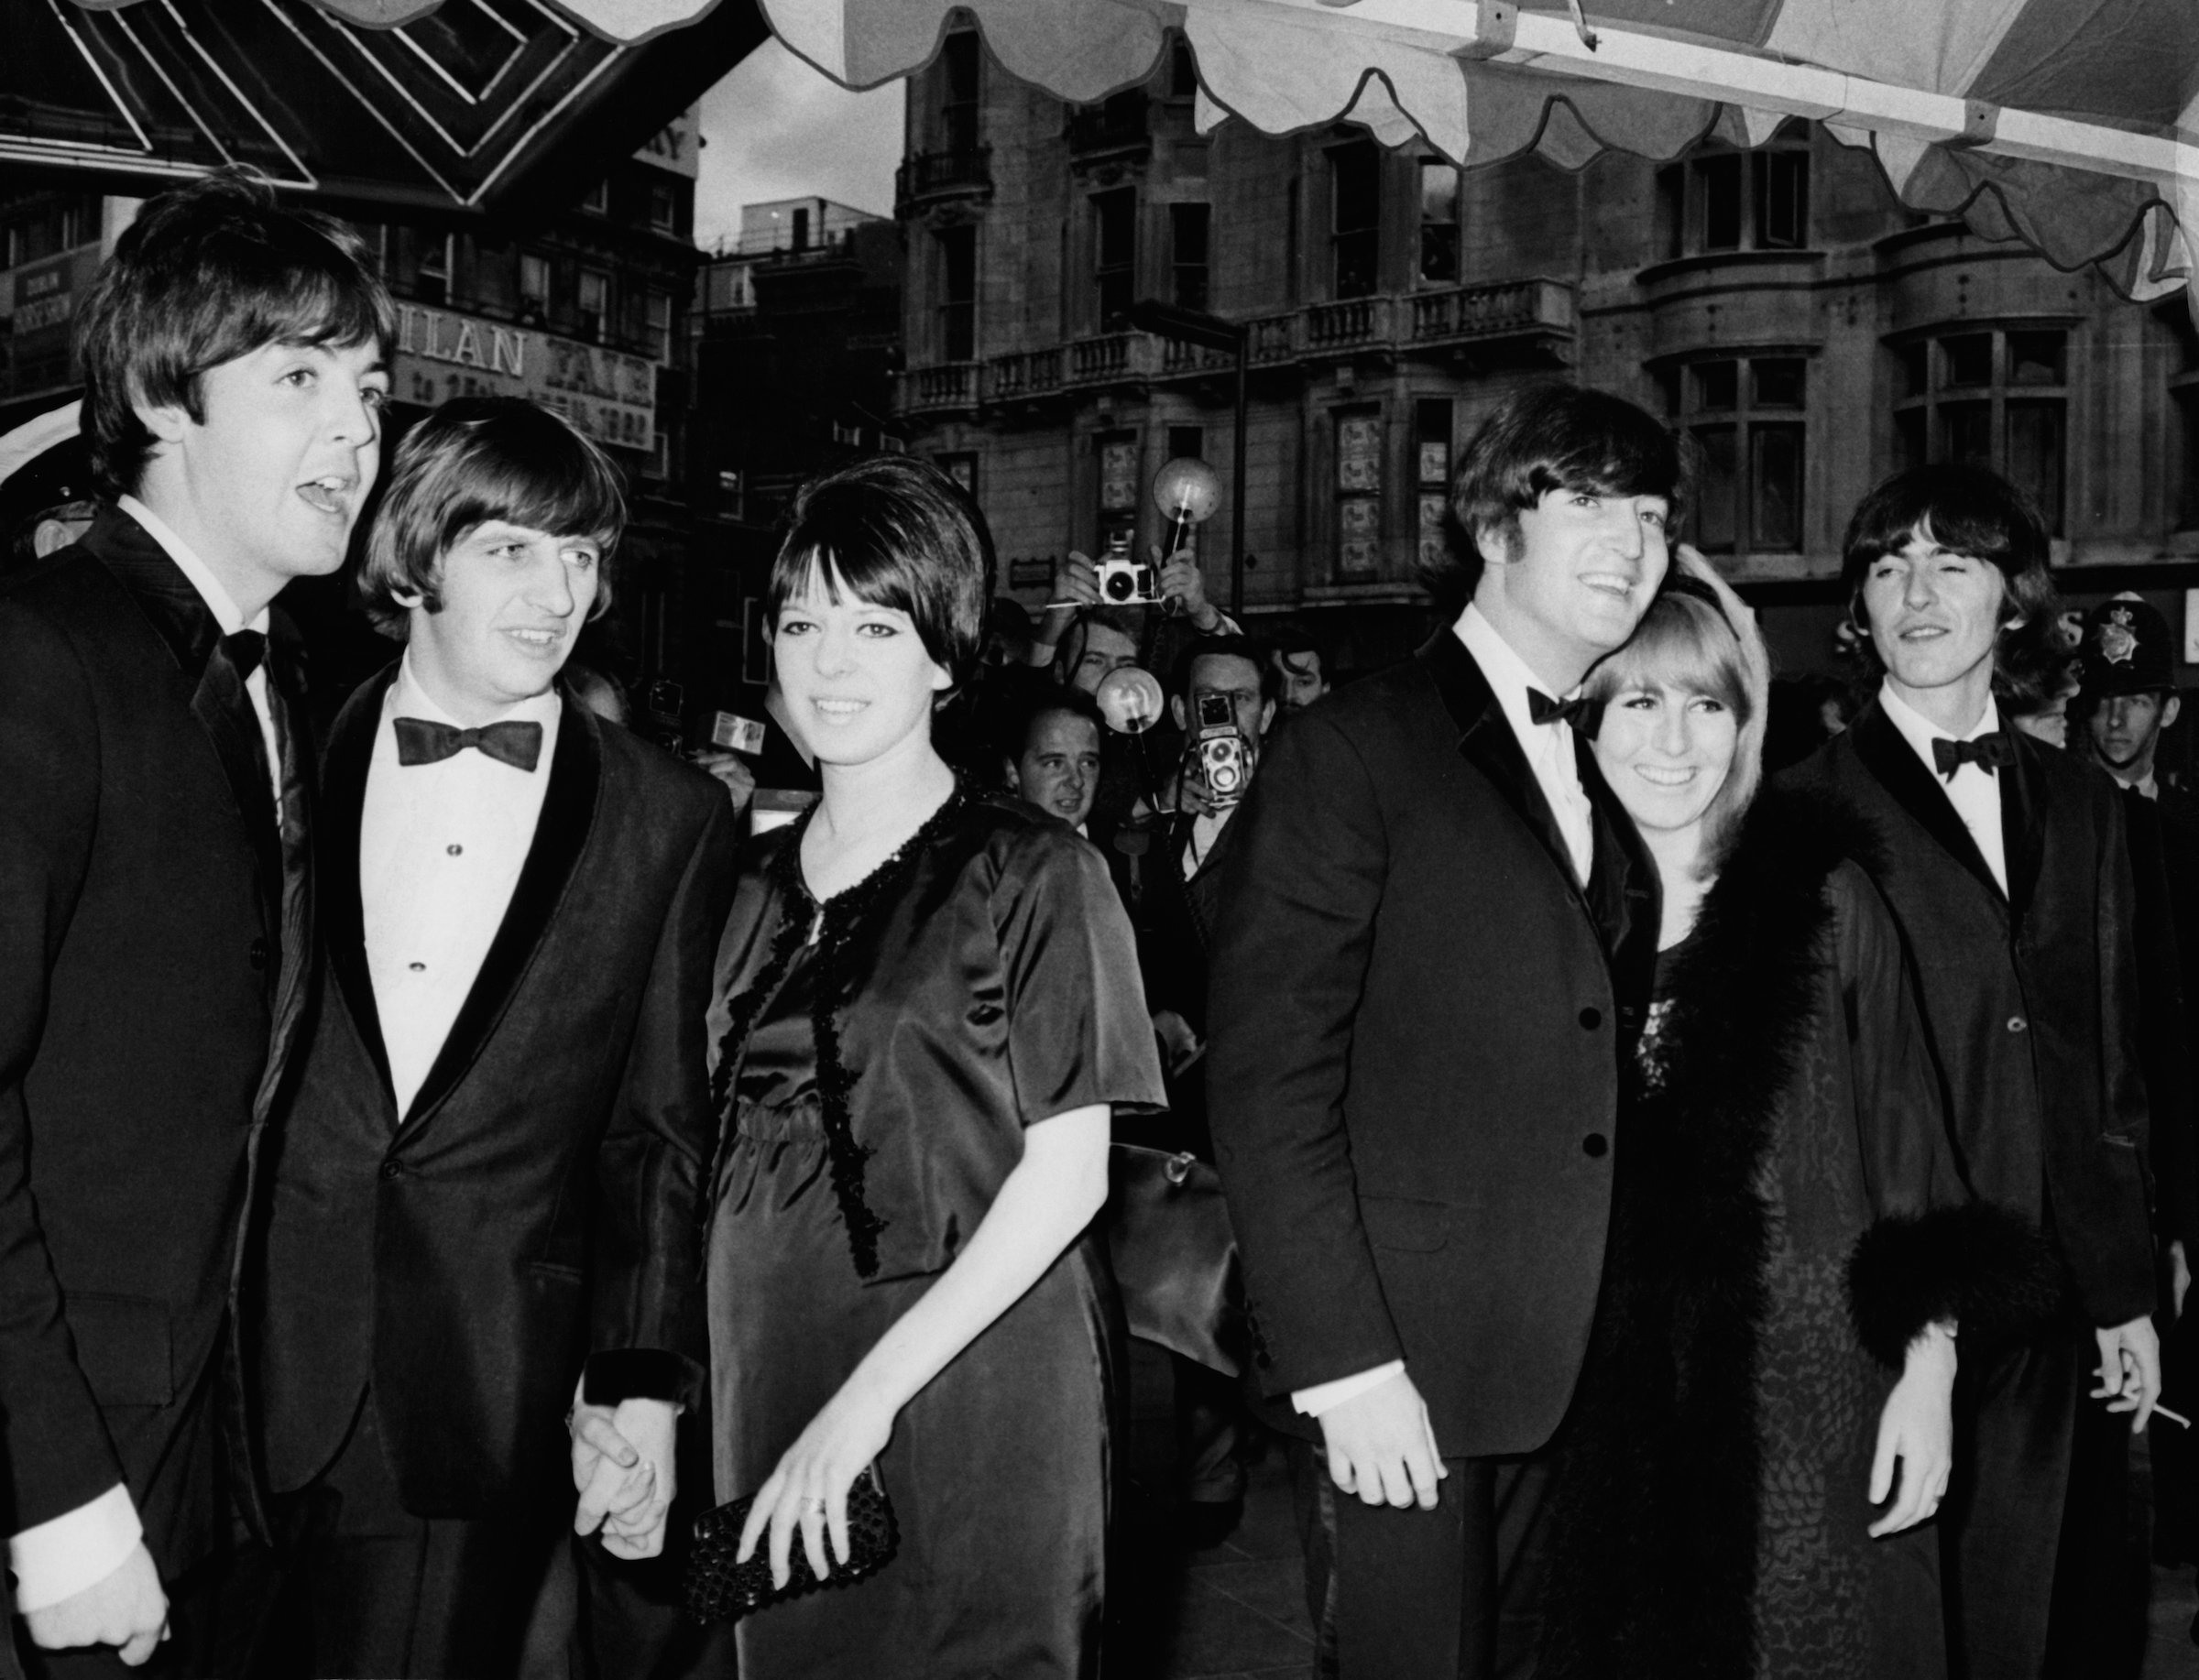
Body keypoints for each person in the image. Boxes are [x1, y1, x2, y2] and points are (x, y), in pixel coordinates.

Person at [252, 398, 737, 1678]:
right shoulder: (272, 745)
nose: (557, 591)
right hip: (231, 1364)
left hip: (475, 1389)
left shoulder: (667, 817)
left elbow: (655, 1138)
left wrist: (642, 1386)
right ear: (414, 558)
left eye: (581, 555)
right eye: (513, 549)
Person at [1207, 383, 1677, 1677]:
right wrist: (1344, 1362)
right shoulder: (1355, 746)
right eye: (1585, 502)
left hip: (1573, 1362)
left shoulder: (1607, 753)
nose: (1631, 543)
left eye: (1650, 512)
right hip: (1402, 1369)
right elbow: (1264, 1077)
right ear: (1493, 528)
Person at [0, 167, 390, 1675]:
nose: (356, 428)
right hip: (71, 1472)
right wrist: (57, 1494)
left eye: (366, 385)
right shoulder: (42, 662)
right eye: (299, 375)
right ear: (165, 397)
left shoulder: (287, 679)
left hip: (227, 1456)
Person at [1541, 556, 2060, 1679]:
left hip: (1821, 1386)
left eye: (1706, 705)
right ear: (1585, 721)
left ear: (1746, 722)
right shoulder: (1540, 909)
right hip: (1599, 1400)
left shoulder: (1825, 896)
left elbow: (1913, 1154)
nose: (1673, 741)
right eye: (1637, 701)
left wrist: (1928, 1380)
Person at [702, 455, 1165, 1677]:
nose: (830, 659)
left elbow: (1068, 1177)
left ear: (944, 655)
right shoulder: (732, 886)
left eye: (874, 623)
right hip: (771, 1366)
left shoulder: (1039, 872)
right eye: (803, 621)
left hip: (975, 1381)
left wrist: (864, 1403)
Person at [1784, 464, 2161, 1676]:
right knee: (1910, 1620)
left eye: (1953, 561)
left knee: (2056, 1622)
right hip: (1890, 1298)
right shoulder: (1800, 812)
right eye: (1888, 565)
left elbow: (2104, 1058)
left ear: (2014, 600)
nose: (1917, 591)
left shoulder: (2083, 802)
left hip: (2056, 1303)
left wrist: (2125, 1286)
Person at [1001, 684, 1105, 833]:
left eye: (1088, 763)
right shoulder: (986, 852)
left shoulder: (1131, 853)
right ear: (1012, 771)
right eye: (1055, 763)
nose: (1076, 781)